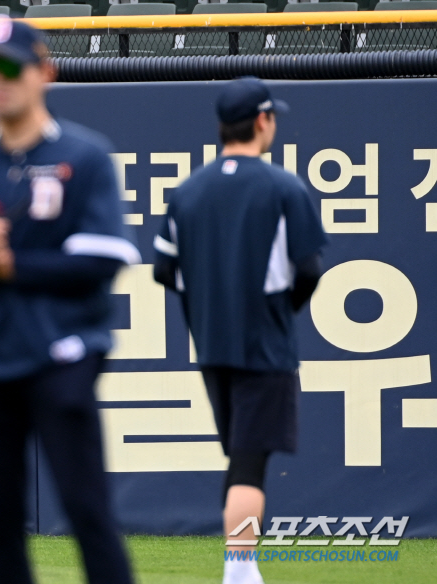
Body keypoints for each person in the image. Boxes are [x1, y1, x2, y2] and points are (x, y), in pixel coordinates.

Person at [0, 16, 139, 584]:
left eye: (10, 66)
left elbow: (103, 261)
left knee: (88, 511)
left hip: (62, 354)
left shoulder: (84, 156)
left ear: (44, 71)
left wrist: (8, 264)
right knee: (1, 524)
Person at [153, 78, 328, 584]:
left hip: (212, 344)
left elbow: (164, 271)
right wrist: (282, 312)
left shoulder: (188, 190)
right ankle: (240, 568)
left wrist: (207, 307)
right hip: (264, 345)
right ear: (263, 120)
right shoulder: (283, 186)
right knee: (249, 464)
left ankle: (239, 563)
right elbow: (309, 269)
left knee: (240, 457)